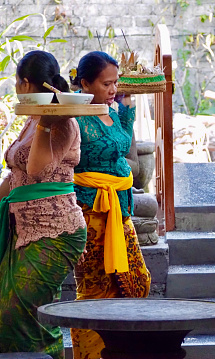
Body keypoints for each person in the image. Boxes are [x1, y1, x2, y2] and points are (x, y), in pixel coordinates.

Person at [0, 50, 87, 358]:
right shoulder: (32, 119)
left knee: (16, 312)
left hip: (55, 231)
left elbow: (37, 170)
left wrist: (48, 123)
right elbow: (17, 175)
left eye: (16, 83)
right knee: (11, 312)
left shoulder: (61, 122)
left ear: (25, 84)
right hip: (23, 227)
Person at [69, 51, 151, 359]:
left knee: (136, 280)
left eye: (115, 82)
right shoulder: (74, 116)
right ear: (85, 83)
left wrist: (127, 110)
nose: (113, 89)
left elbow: (122, 143)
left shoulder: (111, 110)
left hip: (119, 208)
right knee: (94, 289)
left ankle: (119, 350)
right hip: (90, 211)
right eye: (107, 83)